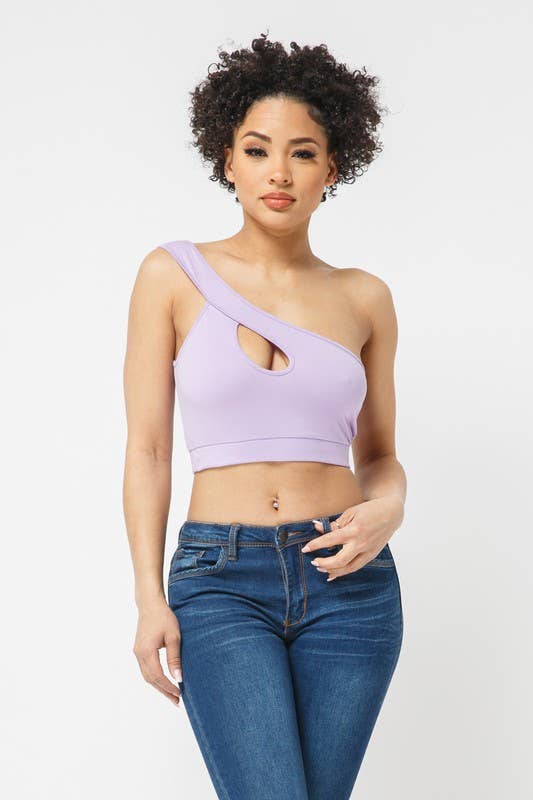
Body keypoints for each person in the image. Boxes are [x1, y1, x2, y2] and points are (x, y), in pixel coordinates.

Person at [123, 32, 406, 800]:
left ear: (332, 168)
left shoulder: (364, 297)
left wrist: (390, 506)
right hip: (220, 581)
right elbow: (148, 451)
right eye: (256, 150)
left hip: (349, 580)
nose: (278, 172)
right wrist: (148, 597)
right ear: (227, 160)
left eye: (302, 153)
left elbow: (379, 454)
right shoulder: (170, 275)